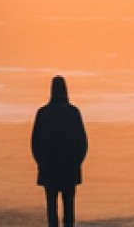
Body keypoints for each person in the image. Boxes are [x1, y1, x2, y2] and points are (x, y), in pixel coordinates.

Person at [31, 74, 88, 227]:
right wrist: (76, 163)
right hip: (69, 168)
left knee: (51, 207)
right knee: (69, 208)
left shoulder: (43, 113)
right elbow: (82, 143)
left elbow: (35, 143)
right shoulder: (73, 112)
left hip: (49, 168)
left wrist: (41, 162)